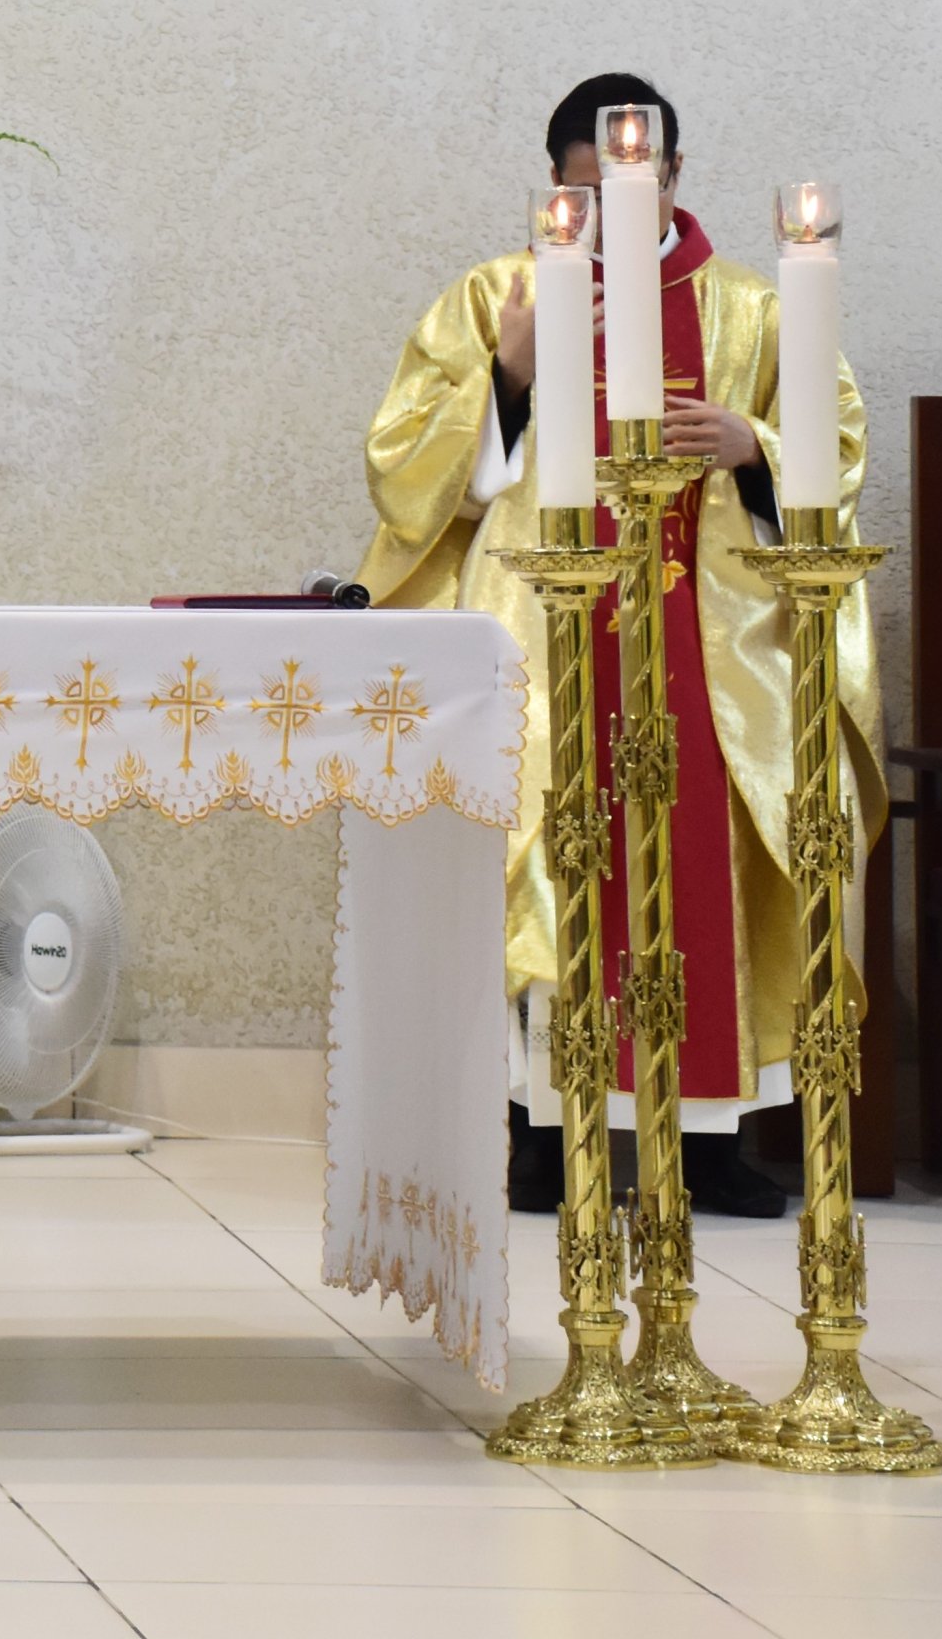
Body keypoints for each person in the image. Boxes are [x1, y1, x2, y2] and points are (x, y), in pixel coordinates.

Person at [355, 73, 882, 1220]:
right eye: (590, 194)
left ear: (679, 176)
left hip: (714, 642)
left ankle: (712, 1138)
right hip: (542, 628)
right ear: (555, 189)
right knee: (548, 854)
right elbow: (405, 473)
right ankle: (545, 1129)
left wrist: (754, 447)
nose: (617, 214)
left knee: (714, 852)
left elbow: (833, 459)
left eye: (642, 184)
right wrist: (509, 376)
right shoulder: (498, 297)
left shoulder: (753, 310)